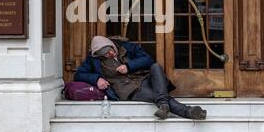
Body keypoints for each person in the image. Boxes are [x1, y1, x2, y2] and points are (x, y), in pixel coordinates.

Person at [74, 35, 207, 120]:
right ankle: (188, 112)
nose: (109, 54)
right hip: (129, 90)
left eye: (110, 50)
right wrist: (96, 79)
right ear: (98, 55)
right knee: (159, 96)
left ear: (112, 44)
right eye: (105, 54)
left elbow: (148, 59)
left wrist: (129, 66)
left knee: (155, 67)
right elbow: (79, 74)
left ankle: (164, 105)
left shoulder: (126, 47)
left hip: (144, 79)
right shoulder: (93, 60)